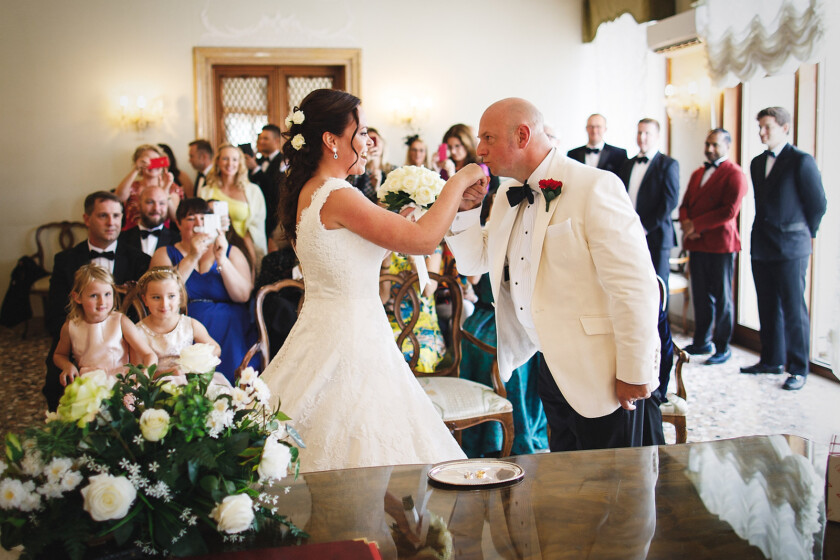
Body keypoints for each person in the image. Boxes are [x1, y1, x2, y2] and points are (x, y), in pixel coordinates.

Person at [259, 88, 486, 472]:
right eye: (361, 131)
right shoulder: (337, 194)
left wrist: (411, 217)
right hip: (351, 338)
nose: (369, 142)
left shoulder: (313, 191)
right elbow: (425, 241)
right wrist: (460, 177)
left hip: (334, 327)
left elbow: (356, 257)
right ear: (331, 140)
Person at [445, 98, 660, 452]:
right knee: (569, 486)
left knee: (617, 490)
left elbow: (635, 287)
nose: (479, 150)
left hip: (603, 374)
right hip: (549, 370)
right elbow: (474, 264)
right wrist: (467, 211)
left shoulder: (595, 187)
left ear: (522, 135)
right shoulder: (504, 196)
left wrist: (635, 371)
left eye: (488, 138)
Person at [741, 107, 827, 391]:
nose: (762, 132)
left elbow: (817, 204)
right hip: (762, 244)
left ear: (785, 128)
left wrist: (803, 234)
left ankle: (798, 368)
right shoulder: (756, 163)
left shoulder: (801, 161)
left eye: (768, 127)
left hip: (792, 247)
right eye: (760, 127)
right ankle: (771, 360)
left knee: (793, 309)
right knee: (766, 305)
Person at [44, 191, 151, 410]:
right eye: (103, 216)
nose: (111, 222)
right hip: (80, 343)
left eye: (116, 216)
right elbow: (55, 314)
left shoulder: (138, 259)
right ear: (87, 219)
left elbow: (145, 313)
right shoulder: (65, 260)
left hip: (125, 347)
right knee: (57, 386)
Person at [150, 198, 257, 383]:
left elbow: (242, 296)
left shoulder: (230, 251)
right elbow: (163, 291)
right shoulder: (164, 253)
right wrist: (192, 256)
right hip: (184, 323)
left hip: (231, 324)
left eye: (204, 218)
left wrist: (222, 260)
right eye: (191, 218)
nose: (198, 224)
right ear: (179, 223)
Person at [679, 129, 748, 365]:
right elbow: (685, 203)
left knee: (722, 297)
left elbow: (729, 211)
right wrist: (689, 226)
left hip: (720, 245)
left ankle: (722, 346)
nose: (709, 149)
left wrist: (696, 225)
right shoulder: (698, 172)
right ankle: (701, 341)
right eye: (707, 144)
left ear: (727, 146)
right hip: (697, 243)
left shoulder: (735, 173)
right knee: (700, 294)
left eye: (715, 145)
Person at [53, 265, 156, 386]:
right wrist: (68, 366)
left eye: (107, 294)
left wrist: (145, 372)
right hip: (89, 385)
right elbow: (59, 355)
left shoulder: (120, 321)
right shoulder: (71, 327)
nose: (102, 302)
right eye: (94, 296)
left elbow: (149, 354)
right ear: (78, 297)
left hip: (120, 383)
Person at [135, 267, 229, 386]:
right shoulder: (137, 332)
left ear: (180, 296)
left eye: (171, 296)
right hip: (156, 387)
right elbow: (138, 372)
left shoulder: (189, 325)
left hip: (190, 384)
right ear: (145, 300)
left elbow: (216, 349)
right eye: (156, 297)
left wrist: (196, 362)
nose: (164, 304)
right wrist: (167, 373)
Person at [618, 118, 680, 290]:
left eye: (647, 133)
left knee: (658, 287)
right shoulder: (628, 164)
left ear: (657, 136)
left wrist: (645, 227)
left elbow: (670, 201)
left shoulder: (668, 164)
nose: (642, 137)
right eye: (639, 132)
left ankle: (660, 319)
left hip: (656, 236)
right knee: (633, 286)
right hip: (629, 235)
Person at [198, 144, 268, 266]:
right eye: (225, 159)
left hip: (245, 247)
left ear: (240, 164)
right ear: (218, 162)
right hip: (212, 247)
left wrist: (246, 248)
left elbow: (258, 224)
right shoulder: (206, 191)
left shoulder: (253, 191)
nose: (230, 163)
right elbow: (199, 220)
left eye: (234, 159)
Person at [381, 247, 446, 373]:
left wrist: (412, 256)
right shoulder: (383, 248)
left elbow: (428, 290)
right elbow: (383, 298)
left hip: (422, 323)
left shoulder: (432, 248)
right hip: (390, 322)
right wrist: (385, 263)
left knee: (419, 358)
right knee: (383, 357)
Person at [115, 144, 183, 231]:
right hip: (131, 236)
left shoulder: (171, 187)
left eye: (156, 160)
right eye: (146, 161)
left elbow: (175, 217)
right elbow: (118, 198)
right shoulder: (132, 186)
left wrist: (165, 190)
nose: (151, 165)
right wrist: (135, 169)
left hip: (163, 237)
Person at [245, 124, 285, 240]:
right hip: (255, 212)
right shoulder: (258, 161)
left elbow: (276, 188)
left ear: (276, 141)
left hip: (273, 215)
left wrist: (256, 170)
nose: (261, 141)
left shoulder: (283, 161)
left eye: (265, 138)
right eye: (260, 138)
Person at [119, 185, 180, 257]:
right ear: (139, 205)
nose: (156, 208)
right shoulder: (121, 238)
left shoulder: (178, 240)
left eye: (162, 203)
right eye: (150, 202)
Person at [350, 127, 390, 202]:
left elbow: (393, 204)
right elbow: (349, 190)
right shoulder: (359, 170)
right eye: (368, 141)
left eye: (375, 140)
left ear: (382, 143)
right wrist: (363, 158)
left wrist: (377, 189)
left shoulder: (391, 170)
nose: (373, 144)